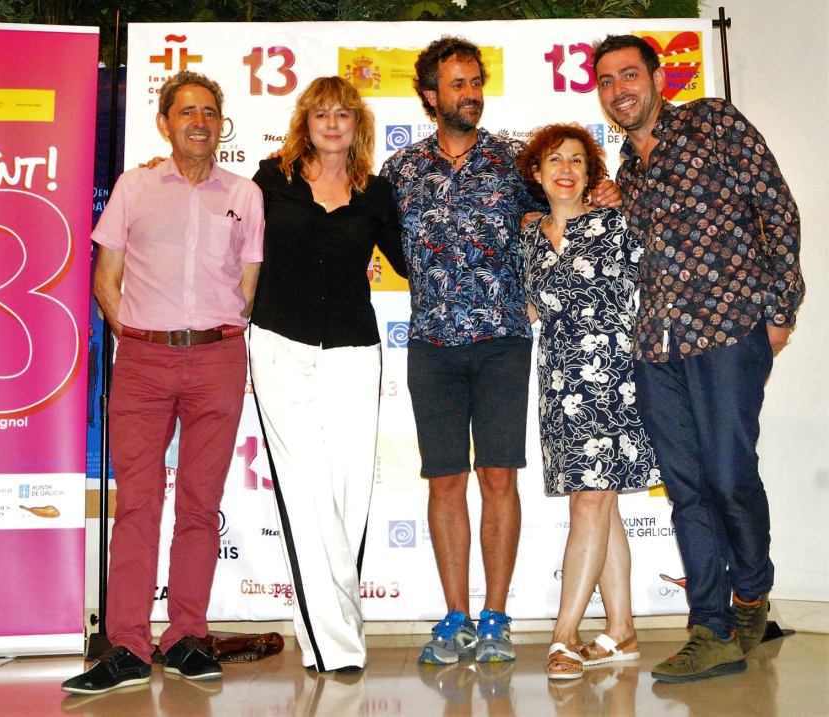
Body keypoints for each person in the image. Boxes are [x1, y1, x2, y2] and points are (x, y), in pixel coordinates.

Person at [379, 36, 622, 666]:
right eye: (457, 84)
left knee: (498, 478)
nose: (470, 94)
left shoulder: (515, 161)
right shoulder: (400, 170)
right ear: (429, 94)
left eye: (475, 83)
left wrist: (609, 193)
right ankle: (455, 617)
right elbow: (384, 243)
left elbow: (569, 202)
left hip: (503, 343)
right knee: (444, 481)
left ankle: (495, 618)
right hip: (431, 344)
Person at [593, 35, 804, 683]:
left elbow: (776, 208)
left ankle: (751, 594)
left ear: (659, 79)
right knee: (686, 489)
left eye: (630, 74)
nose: (619, 89)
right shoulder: (626, 174)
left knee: (729, 475)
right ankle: (711, 627)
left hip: (728, 331)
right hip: (656, 347)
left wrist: (780, 307)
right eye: (607, 81)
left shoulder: (713, 122)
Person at [62, 71, 264, 694]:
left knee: (200, 505)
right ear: (165, 123)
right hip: (144, 362)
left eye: (209, 112)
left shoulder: (246, 194)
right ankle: (127, 645)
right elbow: (105, 277)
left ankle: (185, 638)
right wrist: (135, 333)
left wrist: (216, 332)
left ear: (221, 124)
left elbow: (248, 286)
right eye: (186, 112)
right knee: (138, 504)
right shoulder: (135, 186)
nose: (199, 122)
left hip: (217, 360)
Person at [249, 76, 407, 674]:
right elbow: (223, 225)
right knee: (306, 487)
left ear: (357, 124)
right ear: (305, 122)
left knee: (347, 492)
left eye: (344, 113)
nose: (333, 123)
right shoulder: (271, 179)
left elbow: (411, 263)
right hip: (279, 344)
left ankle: (331, 627)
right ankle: (335, 642)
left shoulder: (376, 192)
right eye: (321, 114)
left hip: (354, 349)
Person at [516, 124, 660, 680]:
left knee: (591, 502)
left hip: (612, 381)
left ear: (590, 173)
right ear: (537, 172)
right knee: (602, 506)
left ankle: (564, 636)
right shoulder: (529, 237)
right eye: (555, 160)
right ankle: (622, 630)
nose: (566, 169)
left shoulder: (615, 223)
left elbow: (657, 279)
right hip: (559, 385)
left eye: (577, 160)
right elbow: (531, 308)